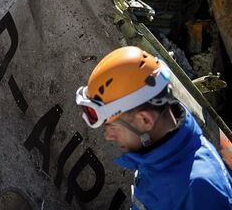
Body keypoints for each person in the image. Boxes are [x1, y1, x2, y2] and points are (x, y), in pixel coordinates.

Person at [76, 46, 232, 209]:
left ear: (144, 120)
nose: (108, 136)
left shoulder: (199, 191)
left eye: (113, 127)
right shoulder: (159, 153)